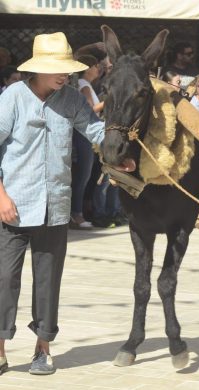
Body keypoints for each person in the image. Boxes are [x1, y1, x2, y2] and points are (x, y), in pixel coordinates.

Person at [0, 32, 104, 375]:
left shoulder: (73, 100)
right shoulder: (12, 97)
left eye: (68, 70)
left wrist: (123, 150)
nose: (65, 76)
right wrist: (0, 196)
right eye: (58, 70)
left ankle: (42, 348)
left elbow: (97, 132)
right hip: (12, 205)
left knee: (48, 280)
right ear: (38, 69)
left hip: (55, 208)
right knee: (4, 279)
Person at [70, 54, 104, 229]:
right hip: (84, 135)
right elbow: (90, 111)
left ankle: (78, 212)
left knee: (85, 175)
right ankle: (77, 213)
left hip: (88, 134)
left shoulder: (87, 85)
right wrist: (107, 101)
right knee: (83, 175)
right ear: (87, 68)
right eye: (95, 65)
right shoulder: (84, 85)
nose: (98, 68)